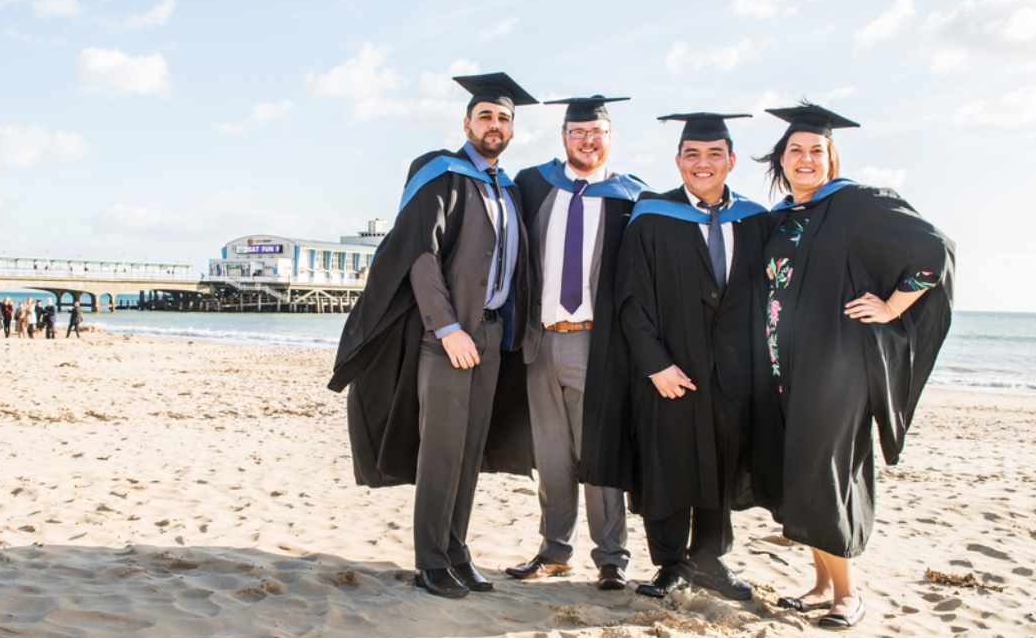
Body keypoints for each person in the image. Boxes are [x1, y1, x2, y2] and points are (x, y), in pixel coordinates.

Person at [328, 72, 538, 599]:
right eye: (485, 116)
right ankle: (430, 561)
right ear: (467, 124)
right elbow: (421, 255)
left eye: (504, 118)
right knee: (441, 452)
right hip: (448, 339)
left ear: (512, 130)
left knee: (469, 452)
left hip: (491, 336)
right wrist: (447, 327)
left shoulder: (508, 189)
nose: (495, 125)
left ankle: (457, 551)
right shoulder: (440, 173)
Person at [749, 103, 955, 630]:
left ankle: (847, 594)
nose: (806, 158)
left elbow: (934, 251)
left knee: (824, 470)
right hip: (784, 366)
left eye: (817, 150)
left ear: (831, 158)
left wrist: (892, 306)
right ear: (780, 158)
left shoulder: (856, 203)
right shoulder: (783, 217)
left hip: (837, 366)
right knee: (801, 470)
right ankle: (821, 585)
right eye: (796, 150)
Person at [615, 113, 769, 602]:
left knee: (720, 467)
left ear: (731, 161)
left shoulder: (754, 220)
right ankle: (670, 564)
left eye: (714, 154)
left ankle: (709, 560)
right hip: (669, 368)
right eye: (693, 154)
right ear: (678, 160)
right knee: (667, 462)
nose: (703, 163)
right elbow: (630, 298)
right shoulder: (652, 216)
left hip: (732, 373)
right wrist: (655, 364)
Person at [505, 95, 645, 591]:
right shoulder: (533, 184)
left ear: (610, 137)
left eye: (597, 133)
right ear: (564, 136)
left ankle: (611, 558)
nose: (588, 141)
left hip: (596, 345)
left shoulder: (631, 197)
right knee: (551, 457)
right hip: (539, 342)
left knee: (600, 454)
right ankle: (554, 551)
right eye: (578, 132)